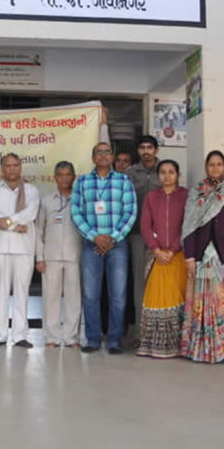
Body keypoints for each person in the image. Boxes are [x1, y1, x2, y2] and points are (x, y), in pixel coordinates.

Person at [181, 150, 224, 364]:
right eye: (212, 165)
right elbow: (189, 227)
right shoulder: (197, 192)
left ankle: (221, 349)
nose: (215, 168)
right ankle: (199, 348)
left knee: (223, 305)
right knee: (199, 304)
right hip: (200, 257)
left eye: (219, 164)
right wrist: (189, 257)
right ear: (206, 167)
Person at [72, 142, 137, 354]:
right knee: (91, 294)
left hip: (117, 245)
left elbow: (130, 212)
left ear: (112, 157)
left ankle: (114, 340)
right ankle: (92, 339)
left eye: (106, 152)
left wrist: (112, 238)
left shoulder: (123, 180)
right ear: (93, 157)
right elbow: (76, 212)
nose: (102, 155)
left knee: (118, 295)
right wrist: (95, 237)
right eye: (98, 152)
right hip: (91, 244)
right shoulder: (82, 182)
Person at [0, 153, 40, 348]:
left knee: (22, 291)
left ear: (21, 167)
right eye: (8, 166)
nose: (12, 169)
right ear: (2, 169)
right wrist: (15, 226)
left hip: (24, 248)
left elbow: (30, 213)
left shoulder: (31, 190)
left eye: (15, 165)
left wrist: (8, 221)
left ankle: (20, 335)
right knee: (0, 290)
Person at [136, 160, 189, 359]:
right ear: (159, 176)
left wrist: (173, 248)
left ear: (178, 174)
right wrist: (156, 250)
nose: (167, 176)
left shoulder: (186, 196)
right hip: (156, 256)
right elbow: (145, 225)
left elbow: (188, 225)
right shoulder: (151, 197)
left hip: (178, 256)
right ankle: (153, 345)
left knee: (178, 298)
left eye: (171, 172)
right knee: (156, 298)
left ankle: (177, 345)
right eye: (164, 172)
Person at [36, 161, 82, 348]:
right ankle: (51, 337)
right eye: (60, 174)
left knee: (73, 298)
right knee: (50, 297)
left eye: (67, 174)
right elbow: (39, 231)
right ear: (54, 178)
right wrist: (39, 257)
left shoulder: (80, 200)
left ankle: (71, 337)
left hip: (75, 256)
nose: (64, 178)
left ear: (74, 176)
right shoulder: (47, 201)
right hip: (51, 256)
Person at [125, 135, 162, 344]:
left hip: (162, 238)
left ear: (156, 150)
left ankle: (160, 331)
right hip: (137, 235)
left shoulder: (164, 171)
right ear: (138, 151)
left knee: (159, 283)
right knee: (139, 284)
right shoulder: (130, 173)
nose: (146, 151)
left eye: (150, 147)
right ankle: (141, 332)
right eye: (142, 147)